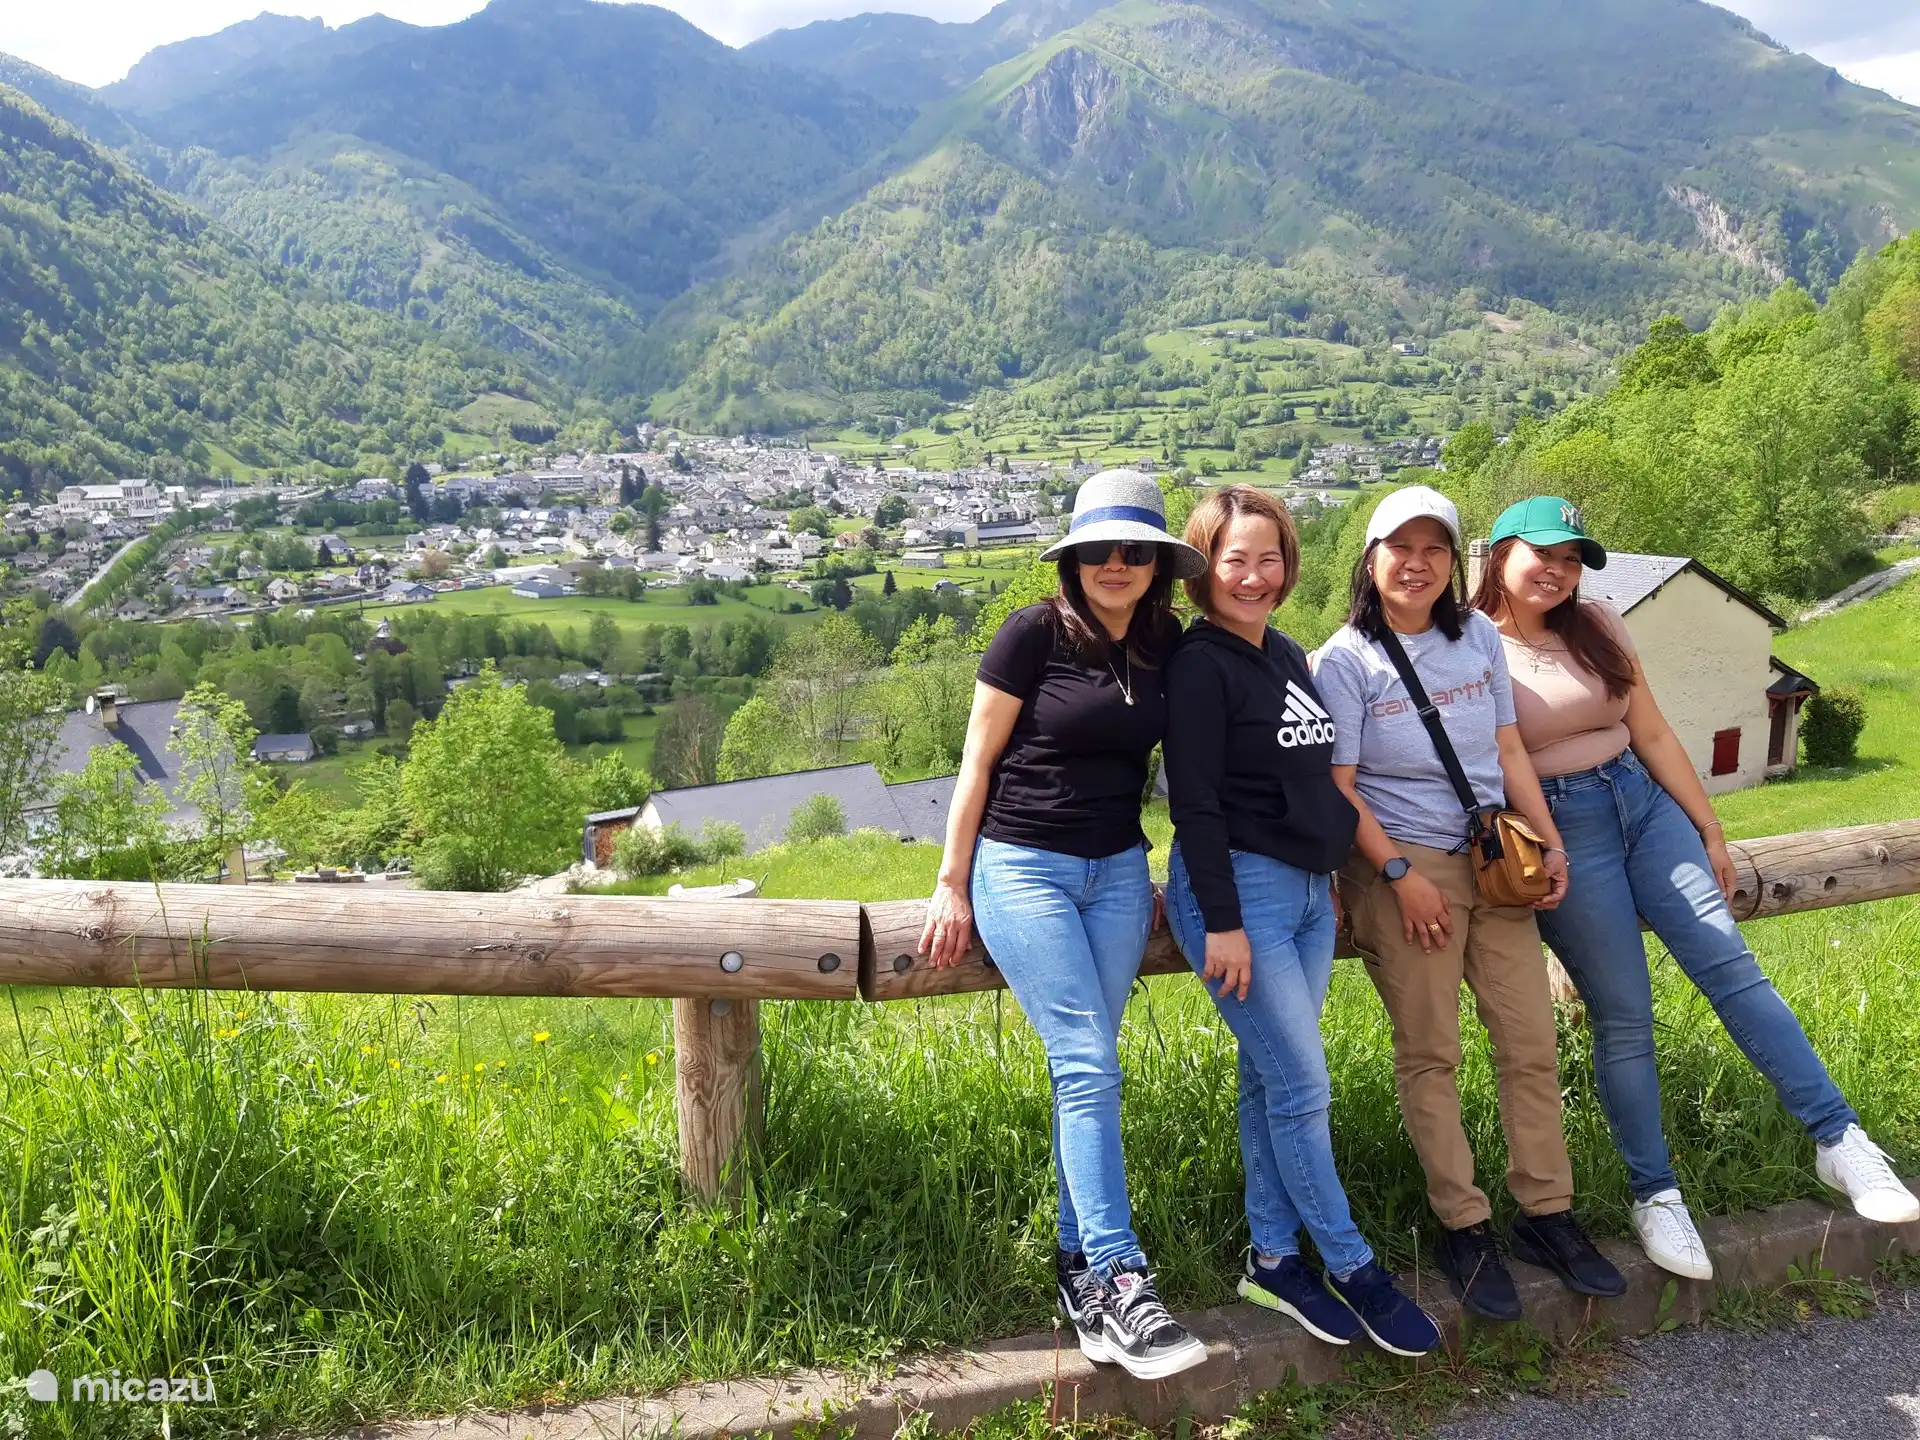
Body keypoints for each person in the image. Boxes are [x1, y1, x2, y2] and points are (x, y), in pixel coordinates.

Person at [1472, 496, 1920, 1278]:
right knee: (1624, 1014)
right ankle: (1657, 1197)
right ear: (1501, 554)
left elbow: (1649, 730)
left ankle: (1840, 1140)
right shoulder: (1474, 647)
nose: (1559, 571)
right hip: (1564, 826)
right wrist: (1547, 843)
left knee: (1731, 968)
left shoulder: (1600, 622)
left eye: (1573, 559)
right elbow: (1507, 759)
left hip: (1644, 807)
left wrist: (1709, 827)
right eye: (1544, 554)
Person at [919, 469, 1210, 1381]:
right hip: (1025, 865)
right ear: (1073, 556)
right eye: (1099, 549)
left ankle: (1077, 1273)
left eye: (1135, 551)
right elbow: (975, 763)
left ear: (1157, 564)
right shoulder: (1031, 634)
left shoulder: (1168, 643)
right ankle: (1124, 1278)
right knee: (1088, 1062)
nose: (1115, 565)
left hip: (1120, 872)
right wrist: (950, 884)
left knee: (1086, 1067)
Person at [1310, 485, 1625, 1322]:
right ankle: (1463, 1223)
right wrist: (1397, 874)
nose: (1416, 565)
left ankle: (1546, 1212)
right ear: (1369, 559)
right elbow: (1339, 789)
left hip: (1496, 866)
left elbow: (1506, 744)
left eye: (1435, 550)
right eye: (1399, 549)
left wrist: (1547, 840)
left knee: (1530, 1042)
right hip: (1408, 876)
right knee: (1431, 1055)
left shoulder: (1477, 634)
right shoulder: (1343, 661)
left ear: (1456, 563)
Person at [1162, 486, 1440, 1356]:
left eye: (1269, 557)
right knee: (1304, 1088)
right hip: (1236, 894)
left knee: (1271, 1079)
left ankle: (1275, 1258)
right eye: (1234, 560)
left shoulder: (1283, 651)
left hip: (1308, 898)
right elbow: (1196, 807)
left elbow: (1315, 781)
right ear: (1204, 570)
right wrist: (1223, 921)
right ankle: (1353, 1264)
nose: (1253, 575)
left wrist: (1334, 870)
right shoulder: (1198, 665)